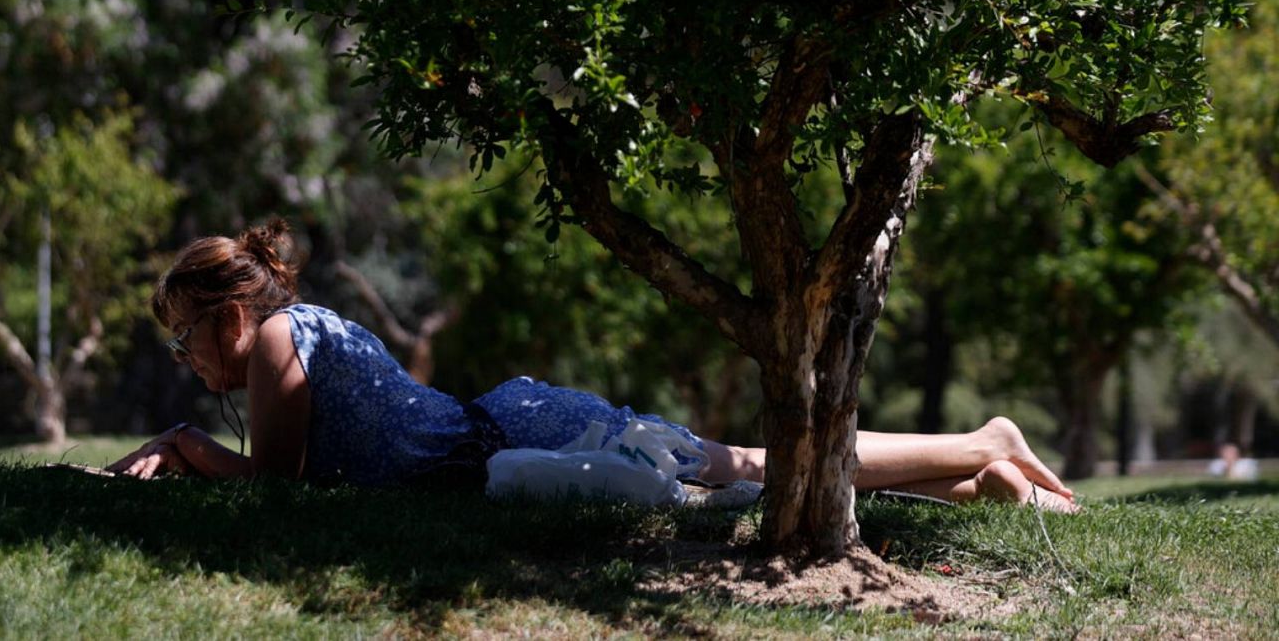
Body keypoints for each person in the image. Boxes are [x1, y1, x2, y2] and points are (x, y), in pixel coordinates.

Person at [108, 219, 1080, 513]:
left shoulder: (284, 339)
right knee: (739, 480)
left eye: (186, 335)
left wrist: (190, 448)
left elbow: (280, 492)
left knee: (740, 468)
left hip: (516, 432)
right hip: (508, 431)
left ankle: (980, 440)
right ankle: (977, 485)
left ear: (233, 316)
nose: (187, 358)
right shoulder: (303, 330)